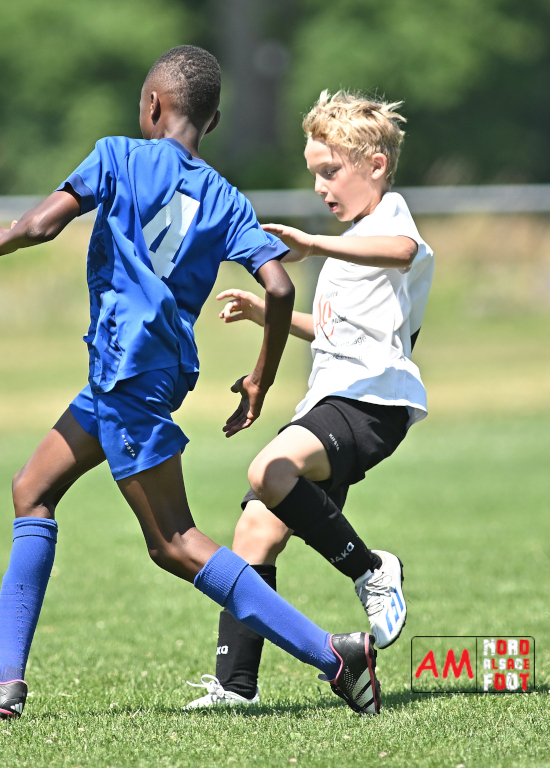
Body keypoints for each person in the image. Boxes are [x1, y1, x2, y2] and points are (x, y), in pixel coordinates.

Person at [0, 48, 381, 720]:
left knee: (175, 542)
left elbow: (45, 222)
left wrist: (6, 236)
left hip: (125, 371)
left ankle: (334, 656)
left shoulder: (117, 155)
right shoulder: (227, 198)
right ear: (214, 121)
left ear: (152, 105)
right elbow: (281, 286)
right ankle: (2, 679)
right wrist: (260, 380)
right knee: (33, 489)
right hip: (145, 373)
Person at [185, 90, 434, 709]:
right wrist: (262, 314)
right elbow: (334, 332)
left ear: (375, 165)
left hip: (371, 402)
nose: (321, 187)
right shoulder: (353, 244)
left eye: (331, 171)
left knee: (269, 469)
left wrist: (317, 244)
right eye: (314, 174)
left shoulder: (388, 217)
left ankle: (370, 570)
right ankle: (235, 687)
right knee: (254, 531)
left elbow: (403, 251)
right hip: (331, 402)